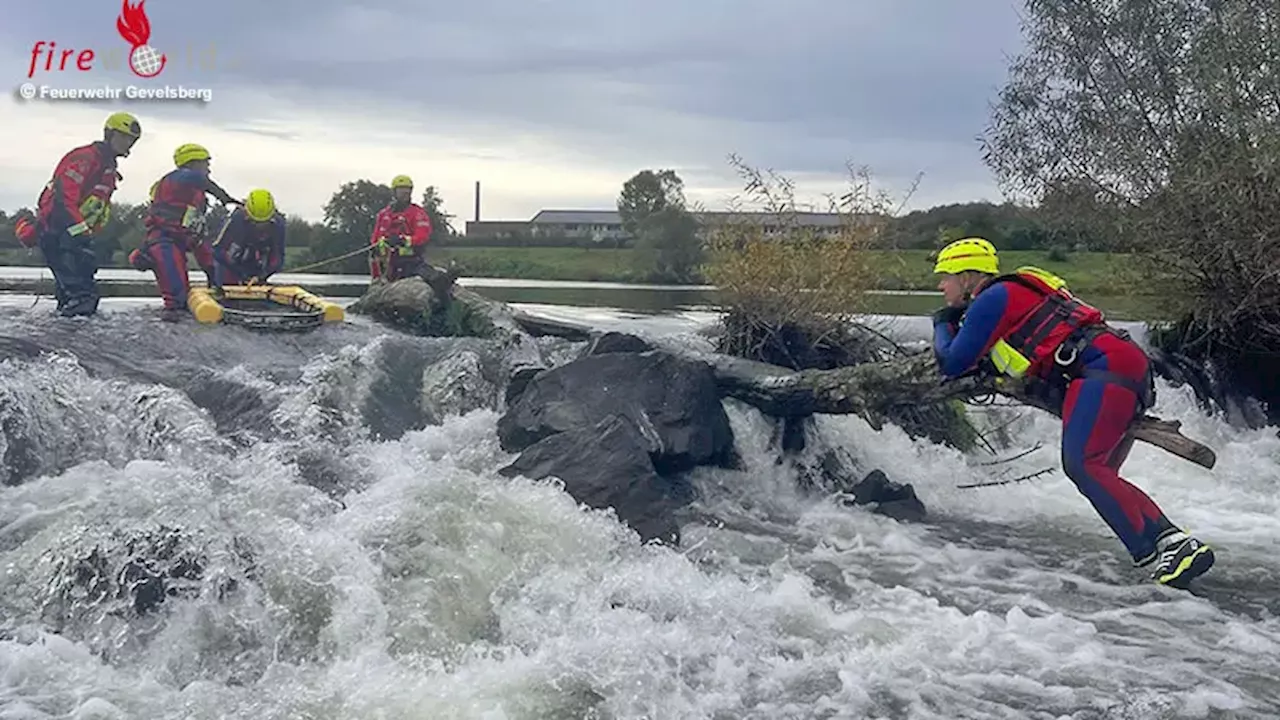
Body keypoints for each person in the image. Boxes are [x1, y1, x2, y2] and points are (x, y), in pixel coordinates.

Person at [930, 237, 1214, 589]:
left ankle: (1173, 543)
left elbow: (953, 362)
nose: (941, 284)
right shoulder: (1005, 295)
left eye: (946, 276)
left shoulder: (992, 297)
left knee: (1083, 465)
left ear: (968, 276)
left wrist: (942, 323)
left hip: (1103, 369)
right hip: (1121, 364)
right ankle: (1166, 549)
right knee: (1101, 472)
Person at [16, 112, 141, 316]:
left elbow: (96, 207)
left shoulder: (108, 166)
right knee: (83, 296)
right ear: (109, 134)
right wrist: (79, 232)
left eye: (132, 140)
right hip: (59, 232)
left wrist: (86, 234)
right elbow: (64, 199)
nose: (128, 144)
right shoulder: (85, 158)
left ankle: (62, 337)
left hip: (74, 236)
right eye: (124, 137)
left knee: (71, 296)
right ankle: (72, 339)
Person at [129, 143, 241, 318]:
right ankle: (174, 320)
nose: (209, 168)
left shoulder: (194, 190)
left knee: (218, 274)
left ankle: (221, 306)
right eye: (206, 163)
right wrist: (224, 197)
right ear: (193, 162)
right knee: (177, 294)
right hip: (164, 240)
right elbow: (199, 179)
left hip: (190, 239)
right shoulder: (178, 178)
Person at [210, 188, 286, 287]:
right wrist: (241, 275)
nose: (260, 226)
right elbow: (217, 250)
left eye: (264, 222)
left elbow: (278, 258)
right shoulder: (235, 220)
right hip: (230, 267)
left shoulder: (278, 225)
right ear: (247, 215)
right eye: (256, 222)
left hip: (257, 267)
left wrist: (262, 276)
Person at [369, 174, 432, 282]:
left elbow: (423, 236)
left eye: (408, 189)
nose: (405, 192)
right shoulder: (383, 214)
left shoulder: (417, 213)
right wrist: (381, 244)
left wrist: (403, 240)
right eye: (401, 189)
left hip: (411, 263)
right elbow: (375, 239)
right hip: (386, 266)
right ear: (394, 192)